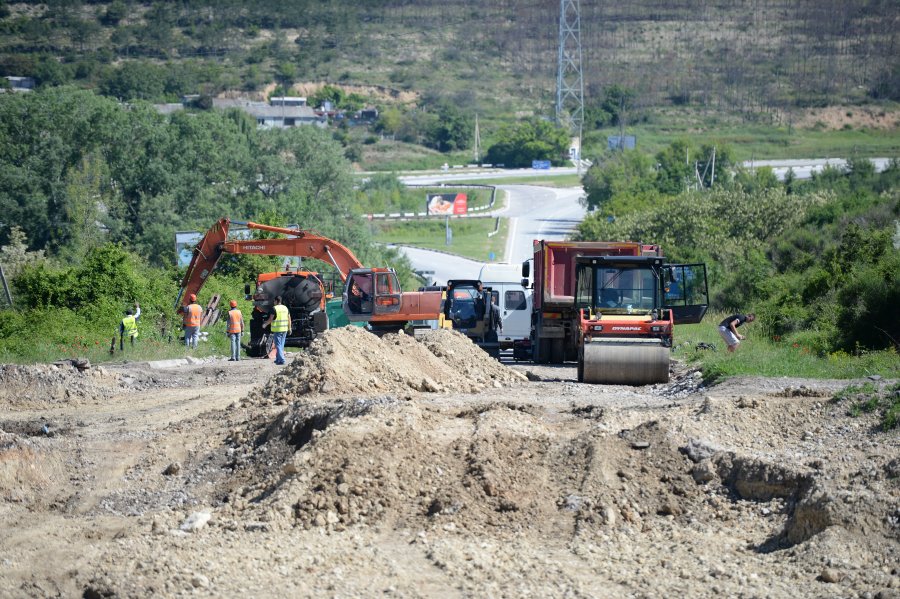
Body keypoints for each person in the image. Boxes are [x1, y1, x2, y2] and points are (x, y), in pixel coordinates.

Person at [263, 295, 291, 365]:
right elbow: (289, 319)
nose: (274, 302)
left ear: (276, 301)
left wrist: (265, 324)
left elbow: (270, 319)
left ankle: (282, 359)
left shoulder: (274, 308)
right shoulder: (285, 308)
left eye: (274, 301)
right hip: (284, 329)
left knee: (278, 345)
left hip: (278, 329)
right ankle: (278, 359)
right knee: (281, 345)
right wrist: (289, 328)